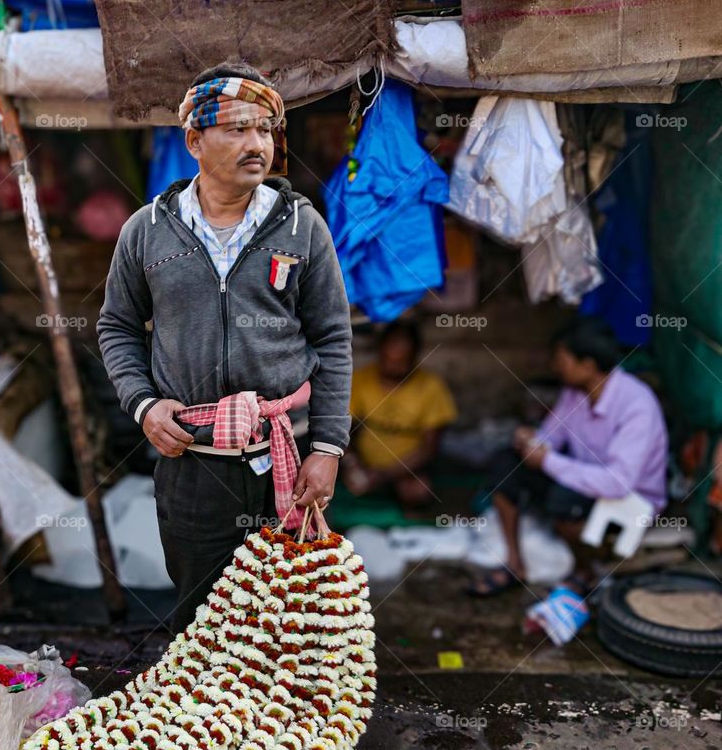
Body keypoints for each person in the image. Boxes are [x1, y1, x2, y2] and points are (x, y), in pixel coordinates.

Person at [97, 62, 352, 631]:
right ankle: (206, 718)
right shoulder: (147, 231)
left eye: (264, 129)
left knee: (289, 615)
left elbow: (333, 338)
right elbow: (116, 326)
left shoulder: (301, 227)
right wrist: (144, 404)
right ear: (194, 140)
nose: (256, 143)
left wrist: (330, 447)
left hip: (286, 451)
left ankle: (277, 719)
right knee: (202, 618)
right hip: (193, 458)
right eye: (237, 129)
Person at [470, 316, 668, 596]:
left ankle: (585, 571)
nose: (555, 367)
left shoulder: (637, 405)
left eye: (562, 360)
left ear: (587, 366)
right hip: (583, 476)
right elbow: (553, 434)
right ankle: (515, 564)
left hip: (630, 497)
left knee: (564, 499)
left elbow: (617, 483)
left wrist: (548, 460)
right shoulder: (576, 392)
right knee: (506, 464)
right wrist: (532, 442)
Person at [343, 320, 456, 508]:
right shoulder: (362, 379)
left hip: (408, 470)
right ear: (380, 353)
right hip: (364, 467)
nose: (394, 367)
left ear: (414, 358)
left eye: (401, 362)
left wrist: (384, 475)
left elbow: (430, 448)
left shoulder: (431, 387)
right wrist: (351, 464)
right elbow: (342, 429)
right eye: (389, 361)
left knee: (418, 491)